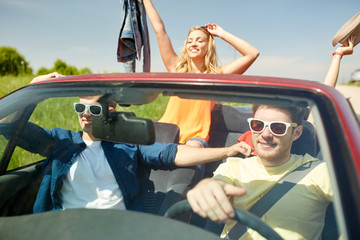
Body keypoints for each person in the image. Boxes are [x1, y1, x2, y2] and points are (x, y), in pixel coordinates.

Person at [0, 73, 253, 213]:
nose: (85, 115)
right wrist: (33, 89)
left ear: (110, 109)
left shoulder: (126, 144)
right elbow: (10, 126)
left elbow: (173, 154)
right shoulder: (60, 141)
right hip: (65, 229)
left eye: (93, 110)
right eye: (80, 108)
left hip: (119, 229)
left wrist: (228, 150)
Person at [186, 104, 332, 239]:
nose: (265, 134)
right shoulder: (232, 168)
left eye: (278, 128)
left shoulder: (319, 171)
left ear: (296, 133)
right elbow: (216, 184)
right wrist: (206, 187)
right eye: (258, 125)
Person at [143, 0, 259, 148]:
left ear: (208, 46)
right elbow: (160, 30)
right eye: (190, 41)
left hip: (195, 139)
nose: (193, 44)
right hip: (166, 132)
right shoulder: (176, 68)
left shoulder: (216, 74)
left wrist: (221, 34)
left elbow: (252, 54)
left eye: (199, 40)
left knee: (193, 149)